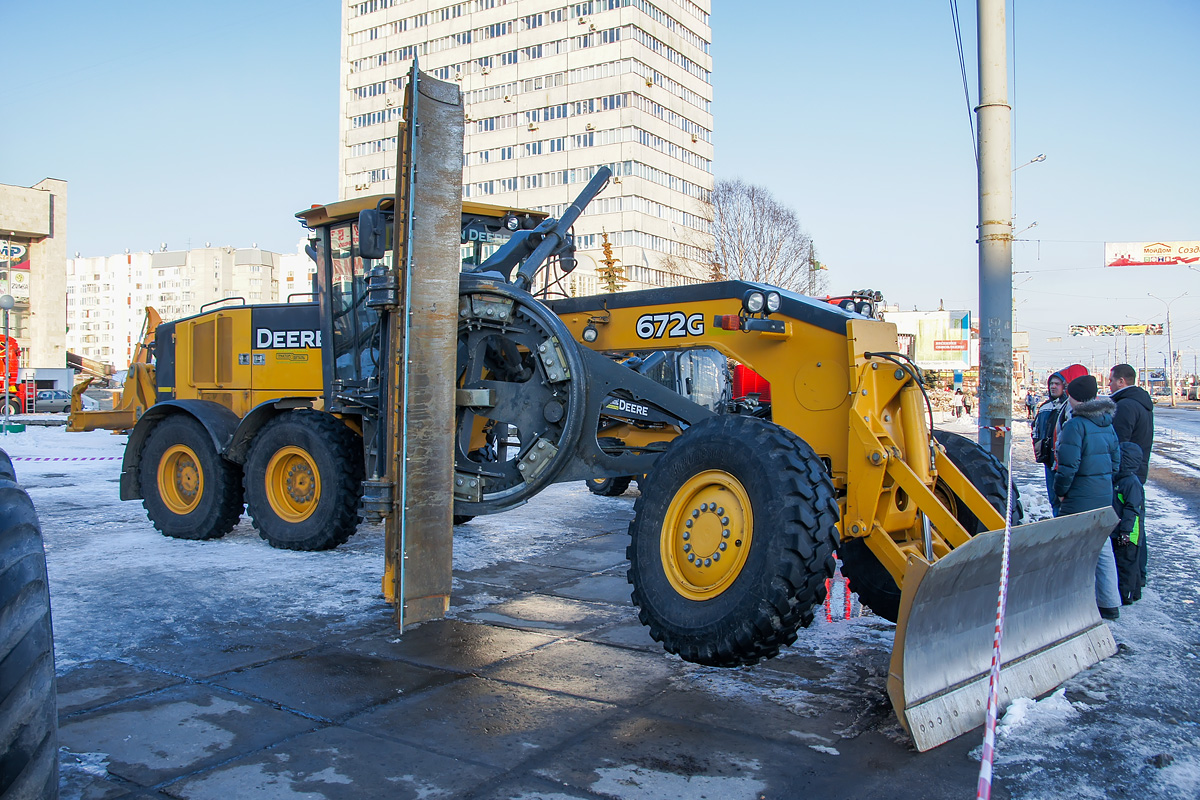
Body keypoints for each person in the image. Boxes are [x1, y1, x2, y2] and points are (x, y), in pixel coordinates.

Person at [1054, 374, 1121, 620]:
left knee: (1069, 549)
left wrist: (1061, 492)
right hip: (1103, 495)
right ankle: (1110, 603)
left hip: (1078, 497)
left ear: (1074, 397)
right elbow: (1116, 464)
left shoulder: (1076, 425)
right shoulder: (1106, 423)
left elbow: (1067, 466)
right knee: (1102, 548)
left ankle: (1071, 604)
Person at [1108, 363, 1153, 588]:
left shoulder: (1125, 406)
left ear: (1121, 381)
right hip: (1137, 471)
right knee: (1136, 526)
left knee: (1128, 527)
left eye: (1111, 380)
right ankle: (1138, 576)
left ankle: (1130, 580)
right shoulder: (1141, 403)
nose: (1109, 384)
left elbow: (1119, 445)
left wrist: (1115, 472)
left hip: (1126, 475)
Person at [1032, 364, 1088, 515]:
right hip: (1049, 462)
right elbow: (1036, 431)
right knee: (1054, 500)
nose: (1053, 387)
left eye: (1057, 384)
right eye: (1051, 383)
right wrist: (1040, 452)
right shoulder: (1045, 407)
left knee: (1066, 502)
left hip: (1063, 463)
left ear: (1065, 386)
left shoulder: (1069, 406)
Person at [1111, 441, 1145, 605]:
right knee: (1126, 564)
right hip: (1122, 530)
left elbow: (1132, 509)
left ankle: (1127, 595)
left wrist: (1125, 532)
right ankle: (1134, 592)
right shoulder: (1120, 479)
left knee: (1127, 565)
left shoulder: (1130, 483)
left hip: (1129, 533)